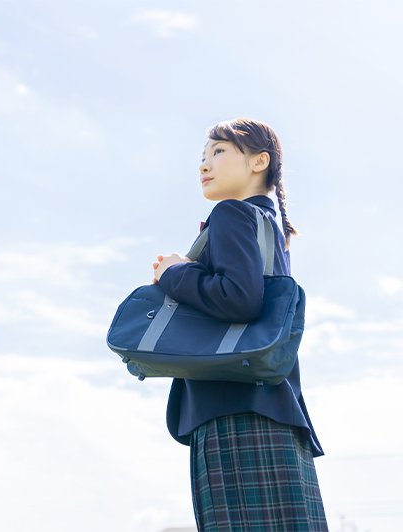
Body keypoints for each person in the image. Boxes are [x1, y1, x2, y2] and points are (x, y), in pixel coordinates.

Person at [152, 118, 328, 531]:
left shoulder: (231, 214)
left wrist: (174, 272)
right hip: (276, 406)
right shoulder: (272, 227)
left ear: (258, 161)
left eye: (218, 151)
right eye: (202, 157)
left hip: (231, 406)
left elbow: (238, 298)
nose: (204, 165)